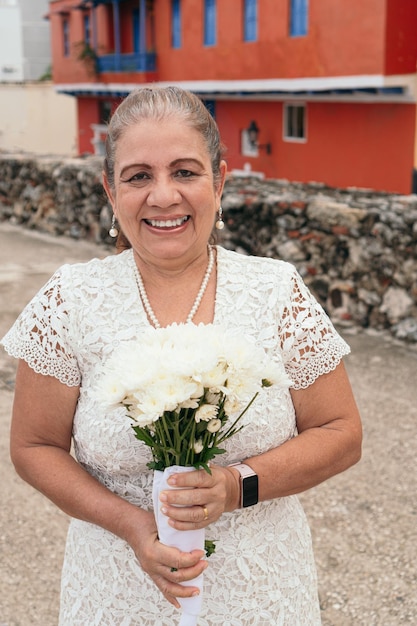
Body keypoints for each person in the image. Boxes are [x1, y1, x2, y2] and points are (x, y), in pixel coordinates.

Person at [1, 86, 362, 625]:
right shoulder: (69, 301)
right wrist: (133, 526)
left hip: (261, 590)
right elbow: (34, 446)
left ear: (219, 181)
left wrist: (236, 485)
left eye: (185, 172)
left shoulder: (275, 291)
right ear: (109, 188)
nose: (163, 196)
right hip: (117, 588)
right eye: (138, 175)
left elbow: (341, 434)